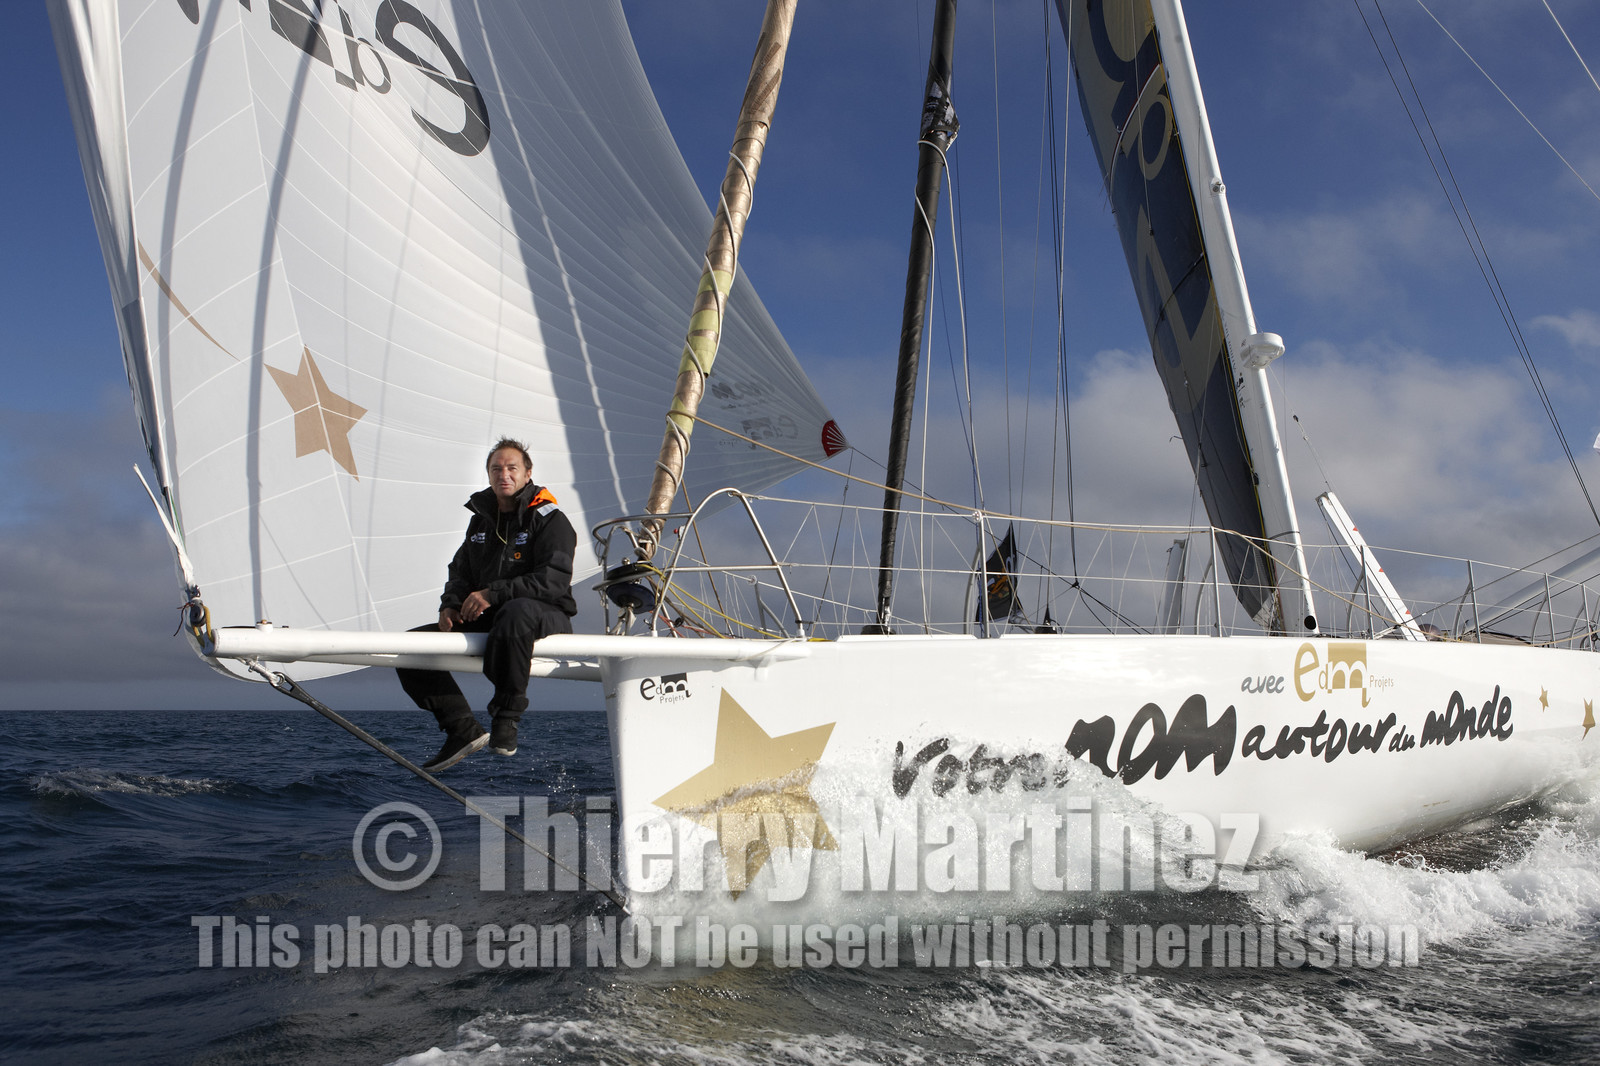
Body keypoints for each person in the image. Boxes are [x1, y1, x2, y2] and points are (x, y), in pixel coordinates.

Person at [397, 438, 577, 771]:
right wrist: (450, 604)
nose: (503, 475)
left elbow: (552, 582)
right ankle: (461, 729)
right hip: (493, 615)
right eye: (496, 469)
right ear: (489, 474)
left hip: (545, 613)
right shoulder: (481, 520)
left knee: (515, 612)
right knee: (410, 649)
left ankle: (507, 718)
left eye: (512, 468)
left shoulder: (551, 520)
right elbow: (461, 570)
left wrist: (492, 594)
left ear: (527, 474)